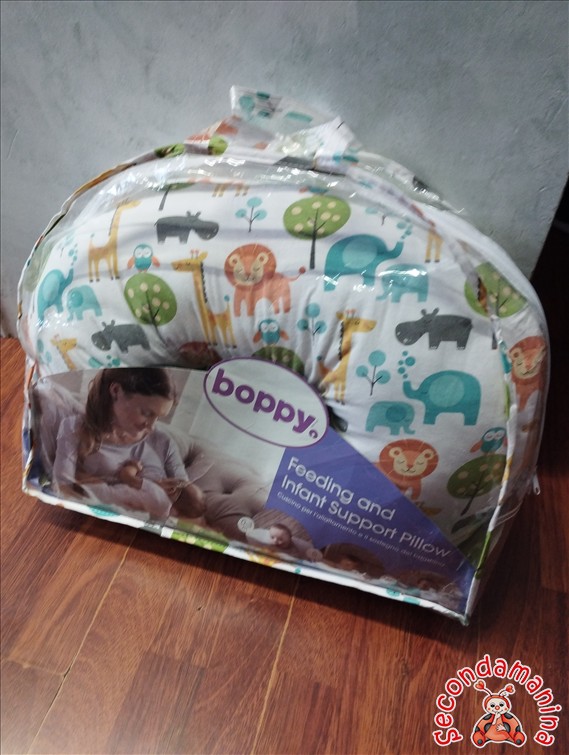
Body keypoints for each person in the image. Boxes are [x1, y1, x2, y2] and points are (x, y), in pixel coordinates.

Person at [52, 368, 205, 521]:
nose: (152, 426)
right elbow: (62, 489)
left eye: (158, 417)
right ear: (116, 391)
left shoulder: (163, 443)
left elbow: (187, 505)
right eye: (146, 413)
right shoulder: (74, 429)